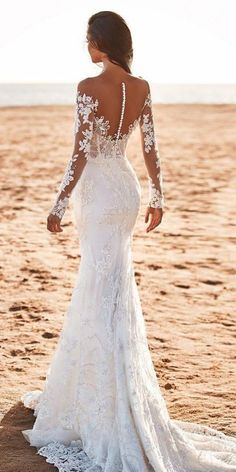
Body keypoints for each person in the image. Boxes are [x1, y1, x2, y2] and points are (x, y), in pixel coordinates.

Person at [21, 10, 236, 472]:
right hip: (127, 190)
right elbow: (150, 147)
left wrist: (59, 203)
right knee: (114, 283)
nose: (86, 47)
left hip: (99, 193)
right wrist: (158, 195)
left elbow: (80, 151)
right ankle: (113, 378)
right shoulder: (142, 88)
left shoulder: (87, 86)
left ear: (101, 41)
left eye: (88, 39)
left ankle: (99, 391)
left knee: (98, 285)